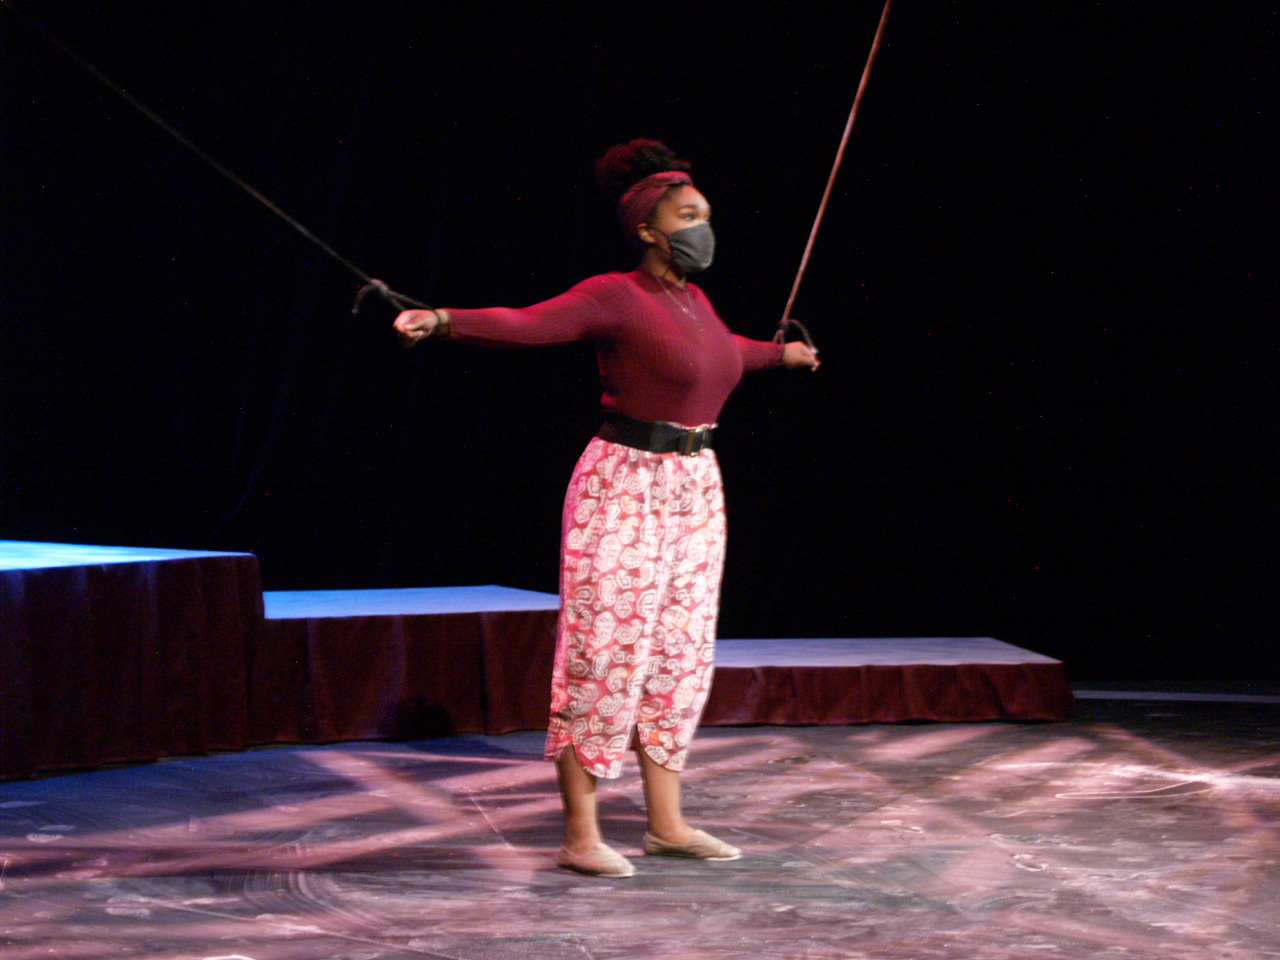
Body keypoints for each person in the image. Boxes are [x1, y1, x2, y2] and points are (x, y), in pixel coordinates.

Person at [393, 139, 819, 878]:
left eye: (705, 215)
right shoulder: (615, 294)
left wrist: (780, 355)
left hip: (695, 486)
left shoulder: (695, 301)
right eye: (688, 216)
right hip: (623, 483)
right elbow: (528, 323)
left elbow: (723, 354)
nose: (702, 228)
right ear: (649, 229)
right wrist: (442, 319)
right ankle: (581, 835)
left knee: (679, 653)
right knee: (605, 652)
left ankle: (667, 826)